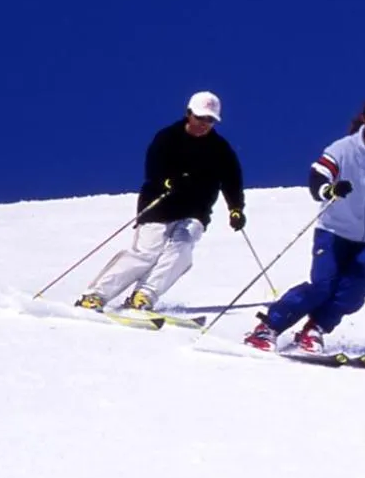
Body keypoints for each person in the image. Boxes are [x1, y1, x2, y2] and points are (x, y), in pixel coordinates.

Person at [244, 94, 365, 352]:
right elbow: (319, 175)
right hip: (335, 230)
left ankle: (314, 330)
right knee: (323, 286)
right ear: (364, 120)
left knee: (353, 293)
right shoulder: (342, 149)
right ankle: (268, 327)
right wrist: (329, 190)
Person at [76, 91, 246, 312]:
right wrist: (167, 181)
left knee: (182, 250)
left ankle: (144, 296)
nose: (204, 124)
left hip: (195, 210)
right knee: (147, 253)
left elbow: (232, 180)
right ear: (189, 114)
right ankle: (96, 295)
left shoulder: (221, 149)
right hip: (160, 204)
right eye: (200, 117)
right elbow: (154, 165)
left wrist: (235, 209)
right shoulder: (169, 137)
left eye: (210, 120)